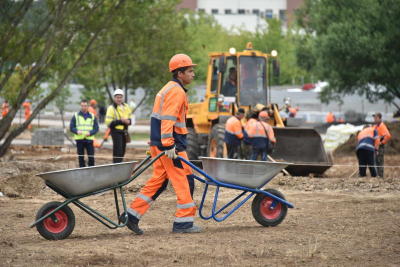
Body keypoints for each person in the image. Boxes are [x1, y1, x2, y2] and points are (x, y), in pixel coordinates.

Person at [123, 54, 199, 234]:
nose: (193, 74)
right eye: (189, 71)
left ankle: (131, 215)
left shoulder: (170, 88)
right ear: (179, 73)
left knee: (159, 181)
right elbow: (168, 119)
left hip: (163, 144)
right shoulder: (176, 91)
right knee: (184, 179)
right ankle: (183, 222)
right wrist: (168, 144)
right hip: (171, 145)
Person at [69, 99, 99, 167]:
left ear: (88, 106)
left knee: (91, 157)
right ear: (80, 106)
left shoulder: (92, 116)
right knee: (81, 158)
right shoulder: (76, 116)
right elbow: (71, 127)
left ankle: (91, 171)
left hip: (89, 140)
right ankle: (82, 171)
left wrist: (90, 133)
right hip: (79, 140)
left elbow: (96, 128)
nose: (84, 107)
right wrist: (76, 131)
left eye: (85, 106)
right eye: (82, 106)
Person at [105, 89, 132, 163]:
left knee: (123, 150)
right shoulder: (111, 108)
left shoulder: (126, 106)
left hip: (124, 131)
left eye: (120, 97)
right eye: (117, 97)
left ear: (122, 98)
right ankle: (116, 165)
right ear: (114, 98)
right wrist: (121, 121)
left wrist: (128, 121)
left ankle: (119, 164)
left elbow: (130, 119)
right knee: (118, 150)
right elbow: (108, 123)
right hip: (116, 132)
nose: (119, 99)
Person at [373, 112, 392, 177]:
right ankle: (377, 176)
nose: (374, 119)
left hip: (380, 147)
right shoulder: (376, 126)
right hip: (376, 147)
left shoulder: (382, 126)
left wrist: (381, 143)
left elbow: (388, 136)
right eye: (374, 118)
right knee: (376, 161)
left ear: (380, 118)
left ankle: (380, 177)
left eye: (376, 118)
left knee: (379, 162)